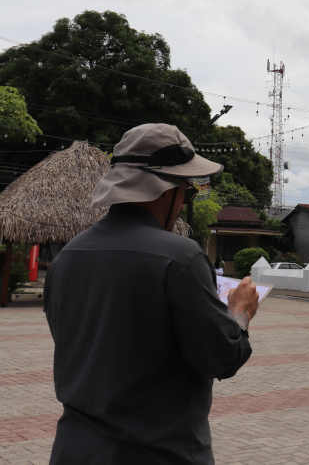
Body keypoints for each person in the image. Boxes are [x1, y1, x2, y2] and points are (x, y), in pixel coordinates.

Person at [44, 123, 260, 464]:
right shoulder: (181, 258)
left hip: (74, 450)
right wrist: (241, 312)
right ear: (166, 190)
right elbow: (222, 358)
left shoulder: (67, 257)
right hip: (159, 452)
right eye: (187, 191)